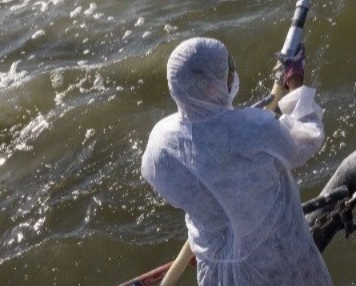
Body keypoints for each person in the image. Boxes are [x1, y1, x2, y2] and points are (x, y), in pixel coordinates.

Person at [141, 38, 332, 286]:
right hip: (278, 268)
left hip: (215, 274)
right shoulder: (253, 128)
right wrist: (294, 78)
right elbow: (307, 138)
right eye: (227, 69)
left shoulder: (160, 143)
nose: (231, 73)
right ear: (212, 87)